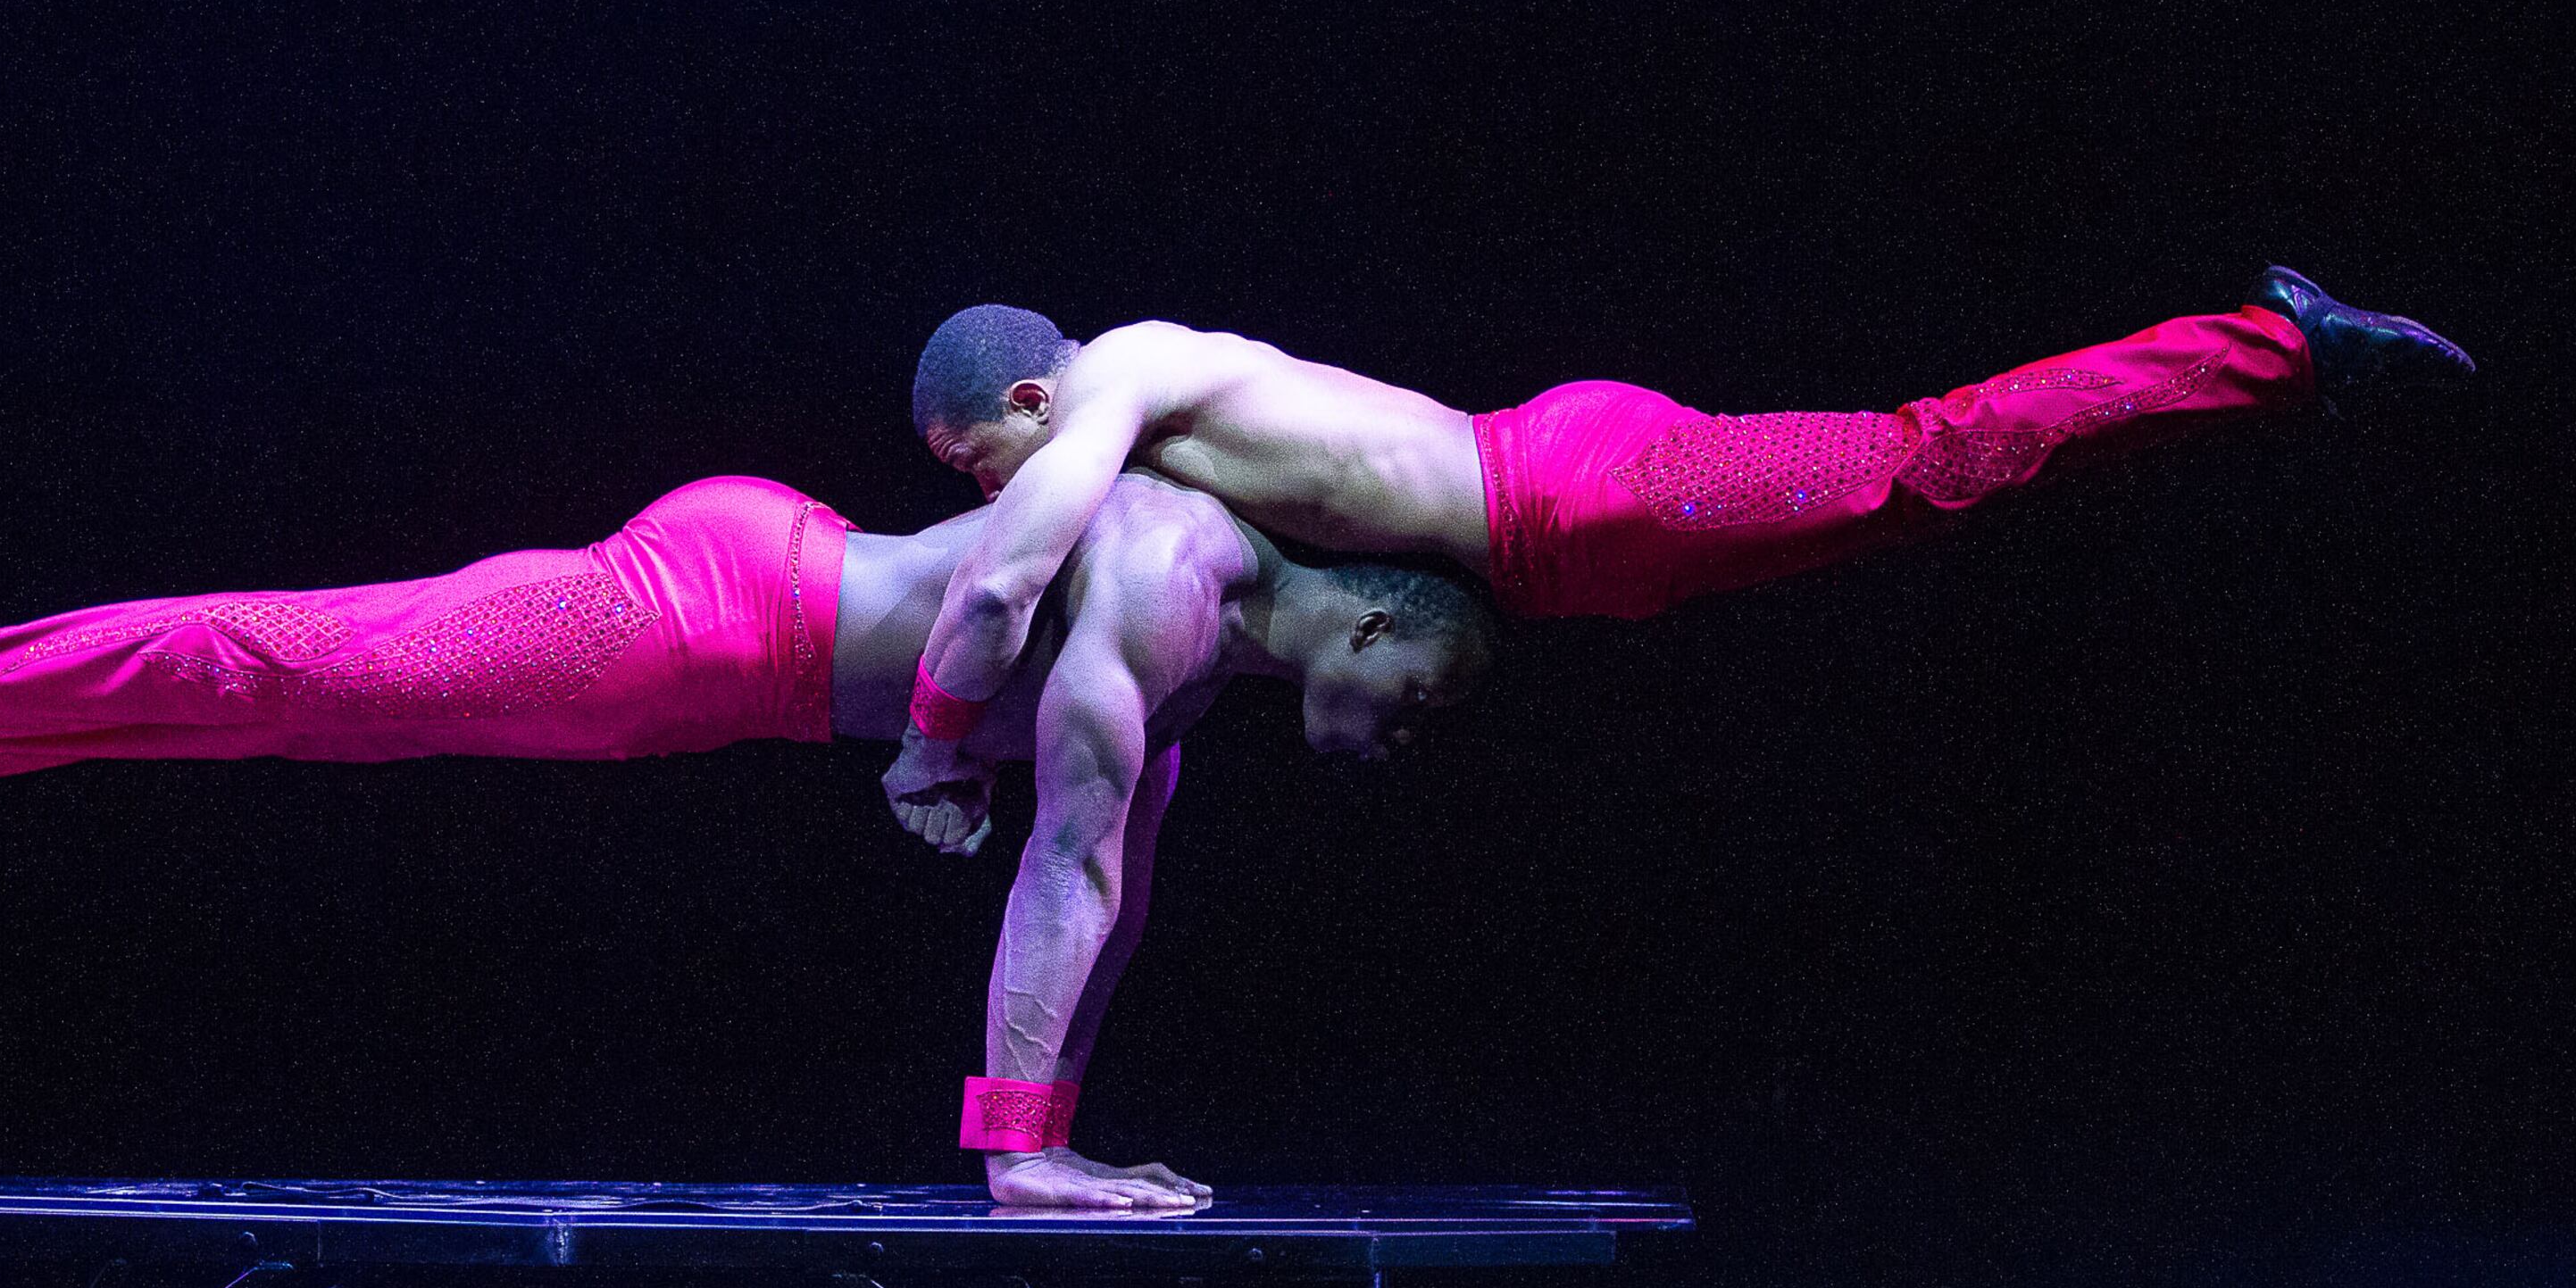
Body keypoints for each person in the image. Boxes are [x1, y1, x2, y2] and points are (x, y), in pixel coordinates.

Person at [0, 473, 1493, 1211]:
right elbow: (1070, 869)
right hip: (692, 615)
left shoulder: (1194, 675)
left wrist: (1051, 1137)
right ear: (1372, 623)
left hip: (733, 641)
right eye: (1421, 700)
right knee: (301, 663)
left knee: (303, 705)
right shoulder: (1173, 590)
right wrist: (1018, 1151)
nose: (1411, 742)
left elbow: (1112, 903)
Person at [882, 267, 2471, 847]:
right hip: (1567, 492)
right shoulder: (1140, 396)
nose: (987, 491)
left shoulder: (1113, 380)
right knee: (1919, 477)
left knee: (1926, 462)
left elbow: (1002, 581)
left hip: (1584, 497)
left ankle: (2278, 349)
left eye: (973, 463)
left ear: (1025, 400)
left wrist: (933, 748)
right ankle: (2273, 357)